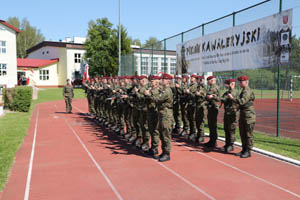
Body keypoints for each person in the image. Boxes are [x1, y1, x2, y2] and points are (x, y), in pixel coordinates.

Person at [145, 73, 174, 162]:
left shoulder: (167, 90)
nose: (161, 80)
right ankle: (163, 152)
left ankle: (167, 153)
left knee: (166, 134)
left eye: (163, 79)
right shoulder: (164, 90)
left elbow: (158, 99)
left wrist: (149, 95)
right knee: (162, 133)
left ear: (168, 81)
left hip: (166, 114)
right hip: (162, 113)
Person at [228, 75, 256, 158]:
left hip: (249, 115)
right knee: (242, 133)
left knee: (248, 133)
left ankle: (248, 151)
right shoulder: (243, 90)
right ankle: (244, 149)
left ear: (246, 82)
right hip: (243, 114)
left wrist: (232, 98)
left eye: (241, 82)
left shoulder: (247, 91)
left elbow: (241, 101)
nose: (240, 83)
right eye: (239, 82)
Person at [220, 79, 238, 152]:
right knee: (226, 129)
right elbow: (222, 99)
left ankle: (231, 145)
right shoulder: (227, 92)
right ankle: (227, 144)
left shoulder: (234, 92)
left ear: (231, 84)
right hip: (227, 113)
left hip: (232, 113)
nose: (226, 85)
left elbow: (225, 99)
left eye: (227, 84)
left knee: (231, 129)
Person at [204, 75, 220, 148]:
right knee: (211, 124)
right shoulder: (212, 87)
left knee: (213, 124)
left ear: (212, 80)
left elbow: (208, 96)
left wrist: (206, 96)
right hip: (211, 107)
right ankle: (212, 140)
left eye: (208, 80)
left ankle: (213, 141)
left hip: (213, 108)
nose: (207, 82)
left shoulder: (213, 87)